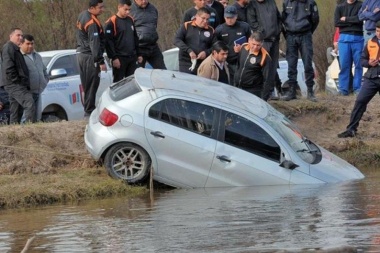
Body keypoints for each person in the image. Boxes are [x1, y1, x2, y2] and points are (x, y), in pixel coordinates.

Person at [338, 21, 380, 138]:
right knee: (360, 101)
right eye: (377, 31)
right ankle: (351, 129)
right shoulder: (370, 42)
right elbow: (362, 60)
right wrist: (369, 63)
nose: (378, 34)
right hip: (372, 77)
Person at [281, 0, 319, 102]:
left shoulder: (310, 3)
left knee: (307, 63)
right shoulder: (286, 3)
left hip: (305, 35)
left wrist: (308, 32)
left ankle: (310, 92)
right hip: (290, 36)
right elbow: (282, 20)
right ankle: (292, 91)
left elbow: (315, 20)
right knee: (291, 64)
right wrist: (287, 35)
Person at [247, 0, 283, 100]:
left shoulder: (271, 2)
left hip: (274, 40)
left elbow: (278, 18)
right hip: (263, 41)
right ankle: (262, 95)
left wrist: (278, 30)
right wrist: (262, 34)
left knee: (272, 67)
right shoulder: (252, 5)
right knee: (263, 68)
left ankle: (270, 92)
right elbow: (253, 23)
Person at [76, 0, 106, 118]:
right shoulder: (92, 22)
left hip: (81, 54)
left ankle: (87, 111)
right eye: (100, 7)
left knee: (87, 85)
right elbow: (94, 43)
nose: (102, 10)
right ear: (92, 8)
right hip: (89, 56)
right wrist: (100, 61)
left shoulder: (82, 14)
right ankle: (89, 112)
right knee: (92, 84)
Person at [1, 28, 34, 124]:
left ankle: (14, 130)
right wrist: (17, 81)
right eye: (18, 35)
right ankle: (29, 128)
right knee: (29, 102)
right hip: (13, 83)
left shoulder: (15, 49)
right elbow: (8, 67)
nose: (20, 37)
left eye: (21, 36)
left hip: (14, 83)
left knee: (16, 109)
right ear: (10, 36)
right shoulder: (8, 47)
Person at [105, 0, 140, 83]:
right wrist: (114, 58)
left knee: (132, 82)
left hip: (132, 57)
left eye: (129, 10)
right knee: (119, 83)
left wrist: (138, 54)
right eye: (125, 9)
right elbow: (108, 42)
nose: (127, 12)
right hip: (120, 58)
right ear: (119, 7)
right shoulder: (111, 22)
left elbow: (135, 38)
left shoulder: (130, 20)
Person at [215, 5, 251, 85]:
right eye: (227, 18)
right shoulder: (219, 30)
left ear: (236, 16)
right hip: (227, 62)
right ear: (224, 17)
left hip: (243, 60)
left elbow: (251, 42)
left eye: (232, 18)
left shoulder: (244, 27)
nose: (230, 20)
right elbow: (216, 46)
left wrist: (242, 48)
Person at [174, 7, 216, 75]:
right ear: (196, 16)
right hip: (186, 62)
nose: (205, 21)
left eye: (207, 19)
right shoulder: (186, 26)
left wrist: (206, 52)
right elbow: (176, 40)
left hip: (203, 63)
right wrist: (189, 51)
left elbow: (215, 47)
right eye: (203, 18)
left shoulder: (211, 30)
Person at [335, 0, 363, 96]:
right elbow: (337, 22)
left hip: (358, 38)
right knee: (344, 65)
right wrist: (353, 21)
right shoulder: (340, 7)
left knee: (358, 65)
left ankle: (357, 89)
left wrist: (346, 19)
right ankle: (343, 89)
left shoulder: (361, 5)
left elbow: (360, 19)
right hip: (343, 38)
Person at [20, 34, 49, 122]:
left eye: (32, 44)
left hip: (38, 92)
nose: (30, 46)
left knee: (37, 118)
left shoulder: (37, 56)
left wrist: (44, 82)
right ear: (21, 44)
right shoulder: (20, 57)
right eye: (28, 44)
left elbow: (44, 72)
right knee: (26, 118)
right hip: (27, 93)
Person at [234, 31, 272, 99]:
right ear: (249, 40)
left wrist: (264, 98)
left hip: (253, 90)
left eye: (258, 45)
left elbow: (267, 80)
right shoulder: (243, 47)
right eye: (253, 44)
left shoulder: (265, 57)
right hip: (238, 86)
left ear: (262, 44)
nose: (255, 47)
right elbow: (238, 65)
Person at [130, 0, 166, 69]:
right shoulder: (130, 10)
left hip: (153, 46)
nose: (144, 1)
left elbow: (154, 25)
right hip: (139, 48)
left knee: (163, 71)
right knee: (138, 73)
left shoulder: (153, 9)